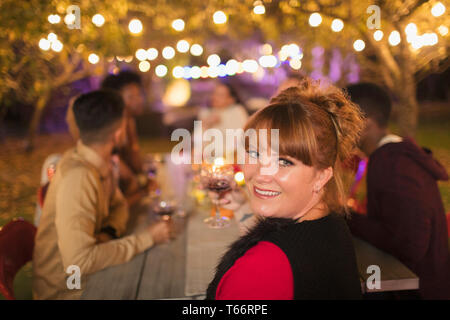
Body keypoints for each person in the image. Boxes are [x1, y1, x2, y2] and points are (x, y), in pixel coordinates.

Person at [206, 78, 364, 299]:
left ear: (322, 176)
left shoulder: (260, 268)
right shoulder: (332, 226)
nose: (261, 173)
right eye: (254, 153)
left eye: (284, 162)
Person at [32, 90, 171, 300]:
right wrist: (148, 238)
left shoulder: (93, 160)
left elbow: (120, 206)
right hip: (71, 290)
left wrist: (107, 234)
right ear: (118, 133)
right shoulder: (79, 177)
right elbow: (79, 262)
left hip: (92, 274)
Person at [345, 83, 450, 299]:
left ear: (365, 124)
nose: (339, 130)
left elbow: (409, 244)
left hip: (419, 290)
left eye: (344, 122)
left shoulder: (397, 166)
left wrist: (347, 218)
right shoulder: (388, 158)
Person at [101, 71, 152, 199]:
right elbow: (126, 175)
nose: (139, 100)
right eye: (131, 97)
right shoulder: (113, 125)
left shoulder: (129, 120)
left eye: (139, 94)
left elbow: (136, 163)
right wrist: (140, 184)